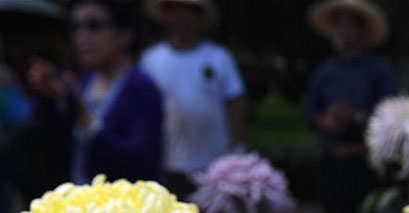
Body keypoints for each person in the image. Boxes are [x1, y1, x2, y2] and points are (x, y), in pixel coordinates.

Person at [27, 0, 163, 184]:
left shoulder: (141, 88)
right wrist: (51, 100)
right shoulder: (86, 80)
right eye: (76, 27)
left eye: (94, 26)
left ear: (125, 34)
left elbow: (141, 164)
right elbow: (54, 151)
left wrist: (88, 122)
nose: (82, 36)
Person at [305, 0, 396, 213]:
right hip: (332, 160)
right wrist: (325, 120)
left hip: (365, 161)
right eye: (341, 24)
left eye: (352, 25)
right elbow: (310, 113)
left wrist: (357, 117)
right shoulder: (324, 71)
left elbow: (389, 113)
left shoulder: (378, 70)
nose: (346, 31)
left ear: (363, 30)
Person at [141, 0, 246, 199]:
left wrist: (238, 151)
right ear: (166, 16)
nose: (181, 17)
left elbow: (234, 105)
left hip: (214, 164)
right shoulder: (152, 60)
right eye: (175, 11)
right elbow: (145, 112)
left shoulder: (219, 57)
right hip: (169, 162)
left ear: (199, 17)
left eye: (188, 11)